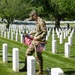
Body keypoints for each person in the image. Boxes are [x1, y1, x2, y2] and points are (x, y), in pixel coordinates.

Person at [19, 10, 47, 74]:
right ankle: (26, 67)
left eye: (32, 17)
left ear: (35, 15)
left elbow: (45, 32)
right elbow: (37, 30)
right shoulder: (37, 21)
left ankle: (40, 71)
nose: (32, 18)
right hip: (35, 42)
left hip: (41, 42)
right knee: (28, 53)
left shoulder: (41, 21)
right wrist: (31, 32)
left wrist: (38, 37)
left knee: (38, 56)